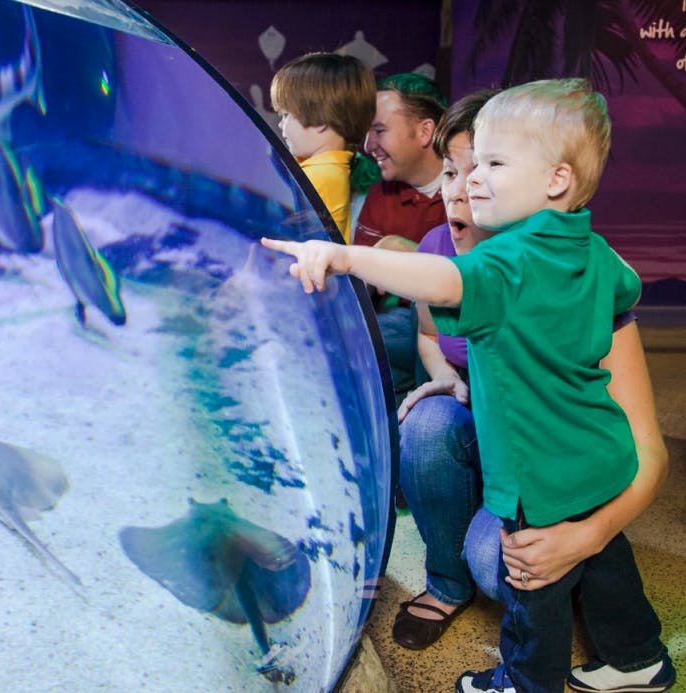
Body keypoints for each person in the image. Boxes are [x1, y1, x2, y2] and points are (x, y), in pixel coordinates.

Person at [261, 78, 676, 693]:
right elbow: (626, 285)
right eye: (470, 164)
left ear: (555, 180)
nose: (474, 179)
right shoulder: (592, 251)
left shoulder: (509, 262)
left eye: (494, 164)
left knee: (533, 582)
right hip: (598, 452)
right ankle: (639, 657)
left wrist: (345, 257)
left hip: (538, 472)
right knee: (606, 561)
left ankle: (525, 681)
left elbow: (443, 280)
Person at [391, 90, 670, 669]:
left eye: (489, 167)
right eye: (451, 171)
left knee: (508, 566)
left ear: (548, 182)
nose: (463, 187)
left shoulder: (572, 268)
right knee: (426, 423)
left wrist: (585, 536)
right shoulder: (435, 252)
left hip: (539, 453)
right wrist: (445, 376)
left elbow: (646, 448)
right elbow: (426, 334)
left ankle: (536, 664)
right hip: (483, 430)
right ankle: (444, 582)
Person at [354, 72, 449, 403]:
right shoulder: (381, 196)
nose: (368, 145)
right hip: (394, 334)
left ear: (425, 131)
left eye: (379, 130)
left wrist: (410, 256)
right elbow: (361, 289)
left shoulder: (470, 192)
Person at [269, 52, 375, 243]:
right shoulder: (338, 164)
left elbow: (310, 241)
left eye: (286, 115)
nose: (281, 124)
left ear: (320, 121)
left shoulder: (321, 174)